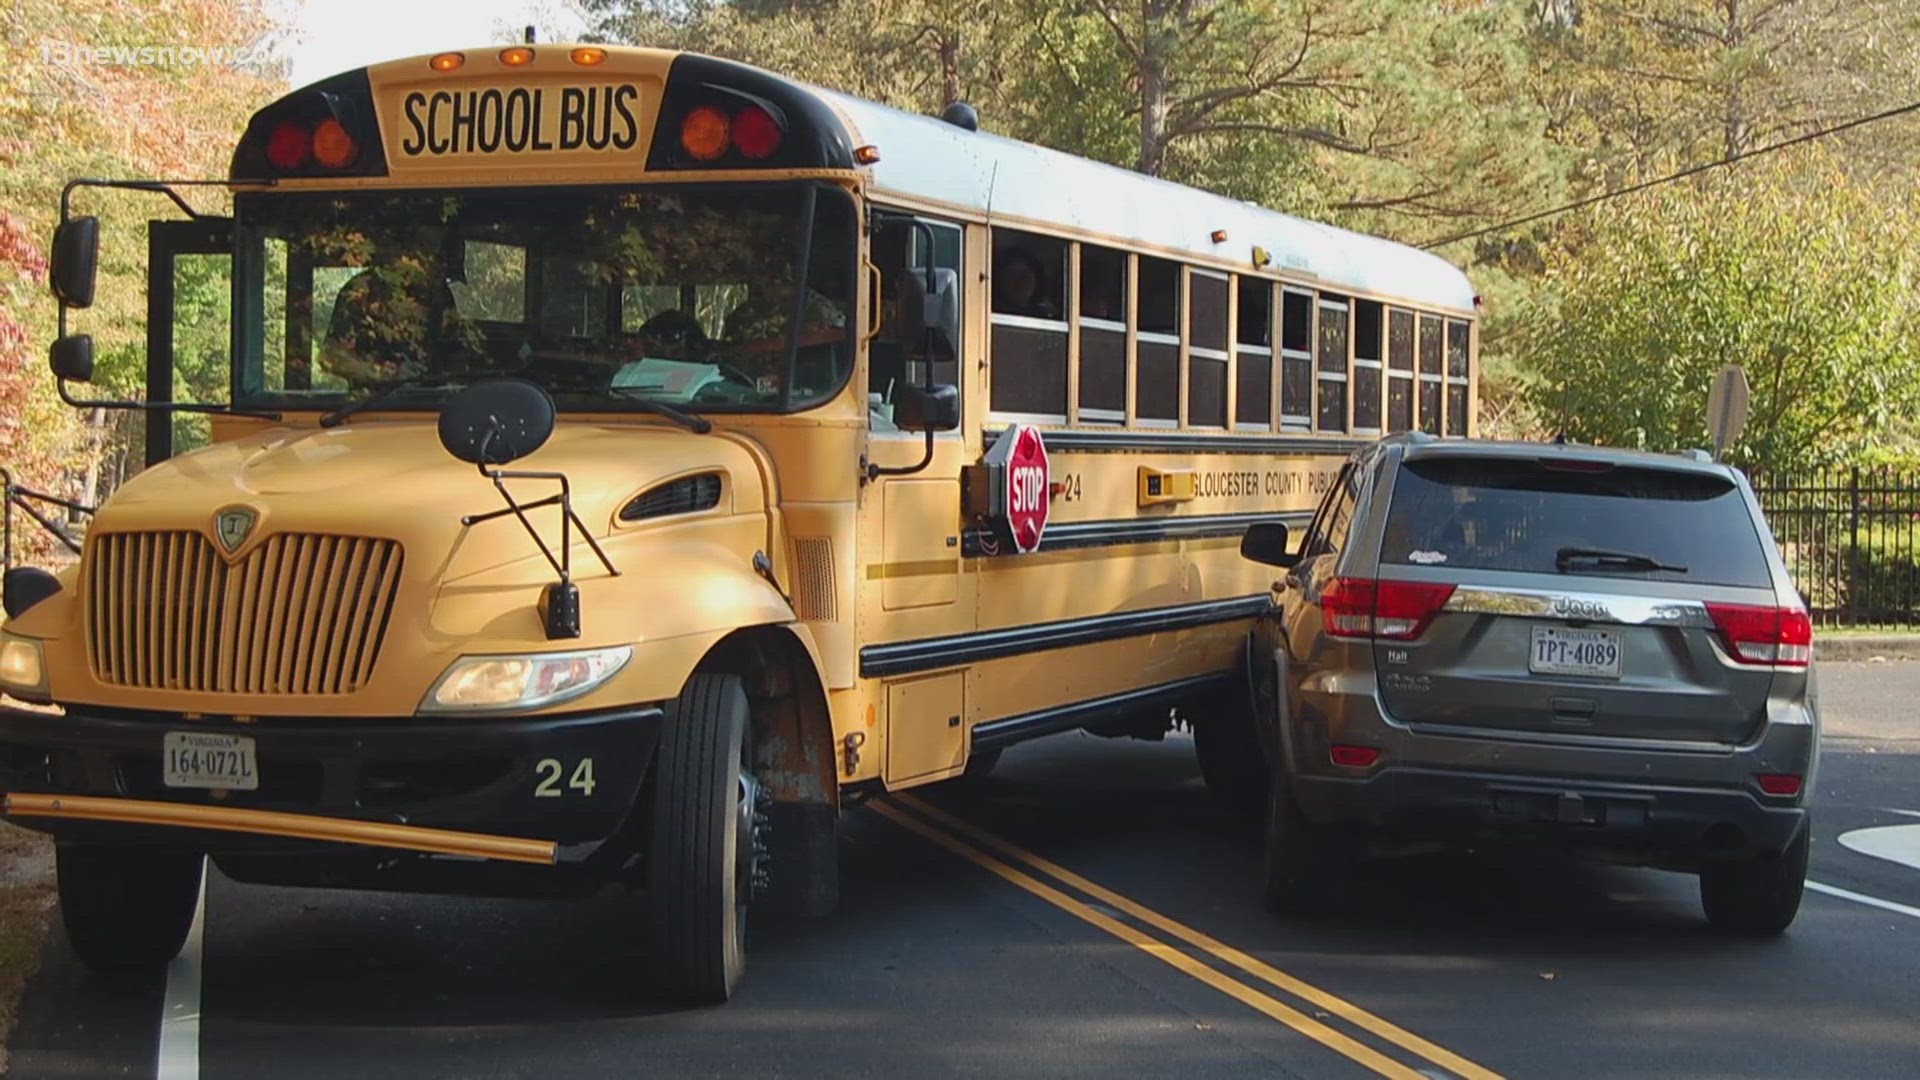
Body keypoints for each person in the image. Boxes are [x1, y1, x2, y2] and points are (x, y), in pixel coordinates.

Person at [992, 247, 1058, 319]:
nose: (1019, 283)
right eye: (1012, 276)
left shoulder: (1044, 319)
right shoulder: (993, 315)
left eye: (1024, 277)